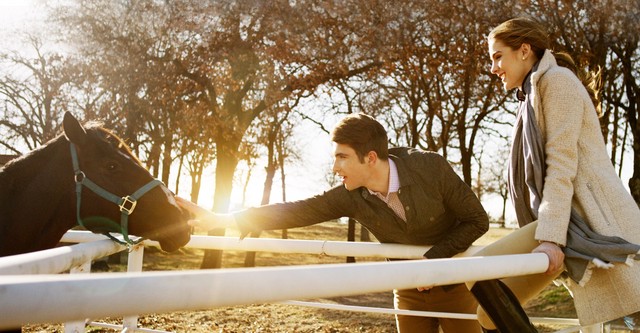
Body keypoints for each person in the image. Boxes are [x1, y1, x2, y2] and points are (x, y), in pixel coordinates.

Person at [179, 113, 489, 333]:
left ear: (369, 158)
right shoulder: (350, 195)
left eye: (342, 157)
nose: (335, 167)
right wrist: (221, 218)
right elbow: (297, 210)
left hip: (455, 284)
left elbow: (477, 220)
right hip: (407, 289)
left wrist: (431, 262)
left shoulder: (429, 166)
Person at [468, 17, 640, 332]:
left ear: (523, 50)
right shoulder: (529, 97)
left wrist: (550, 239)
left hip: (587, 222)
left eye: (497, 56)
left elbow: (561, 165)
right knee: (488, 313)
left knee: (474, 271)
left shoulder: (556, 81)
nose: (493, 67)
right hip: (560, 221)